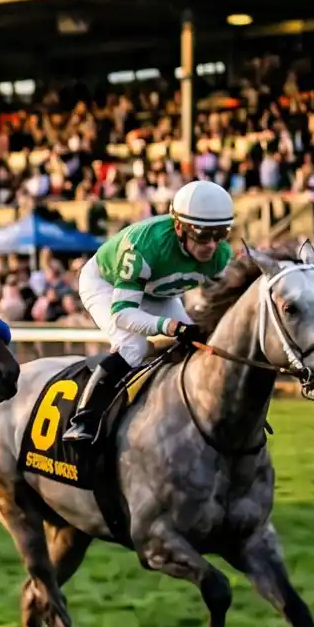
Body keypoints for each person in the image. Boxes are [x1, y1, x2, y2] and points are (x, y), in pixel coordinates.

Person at [62, 179, 235, 444]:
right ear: (179, 227)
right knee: (133, 347)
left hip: (159, 291)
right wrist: (170, 327)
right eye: (202, 234)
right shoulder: (145, 245)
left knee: (199, 345)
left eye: (220, 233)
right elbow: (123, 314)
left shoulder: (221, 255)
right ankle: (84, 420)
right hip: (107, 285)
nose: (212, 245)